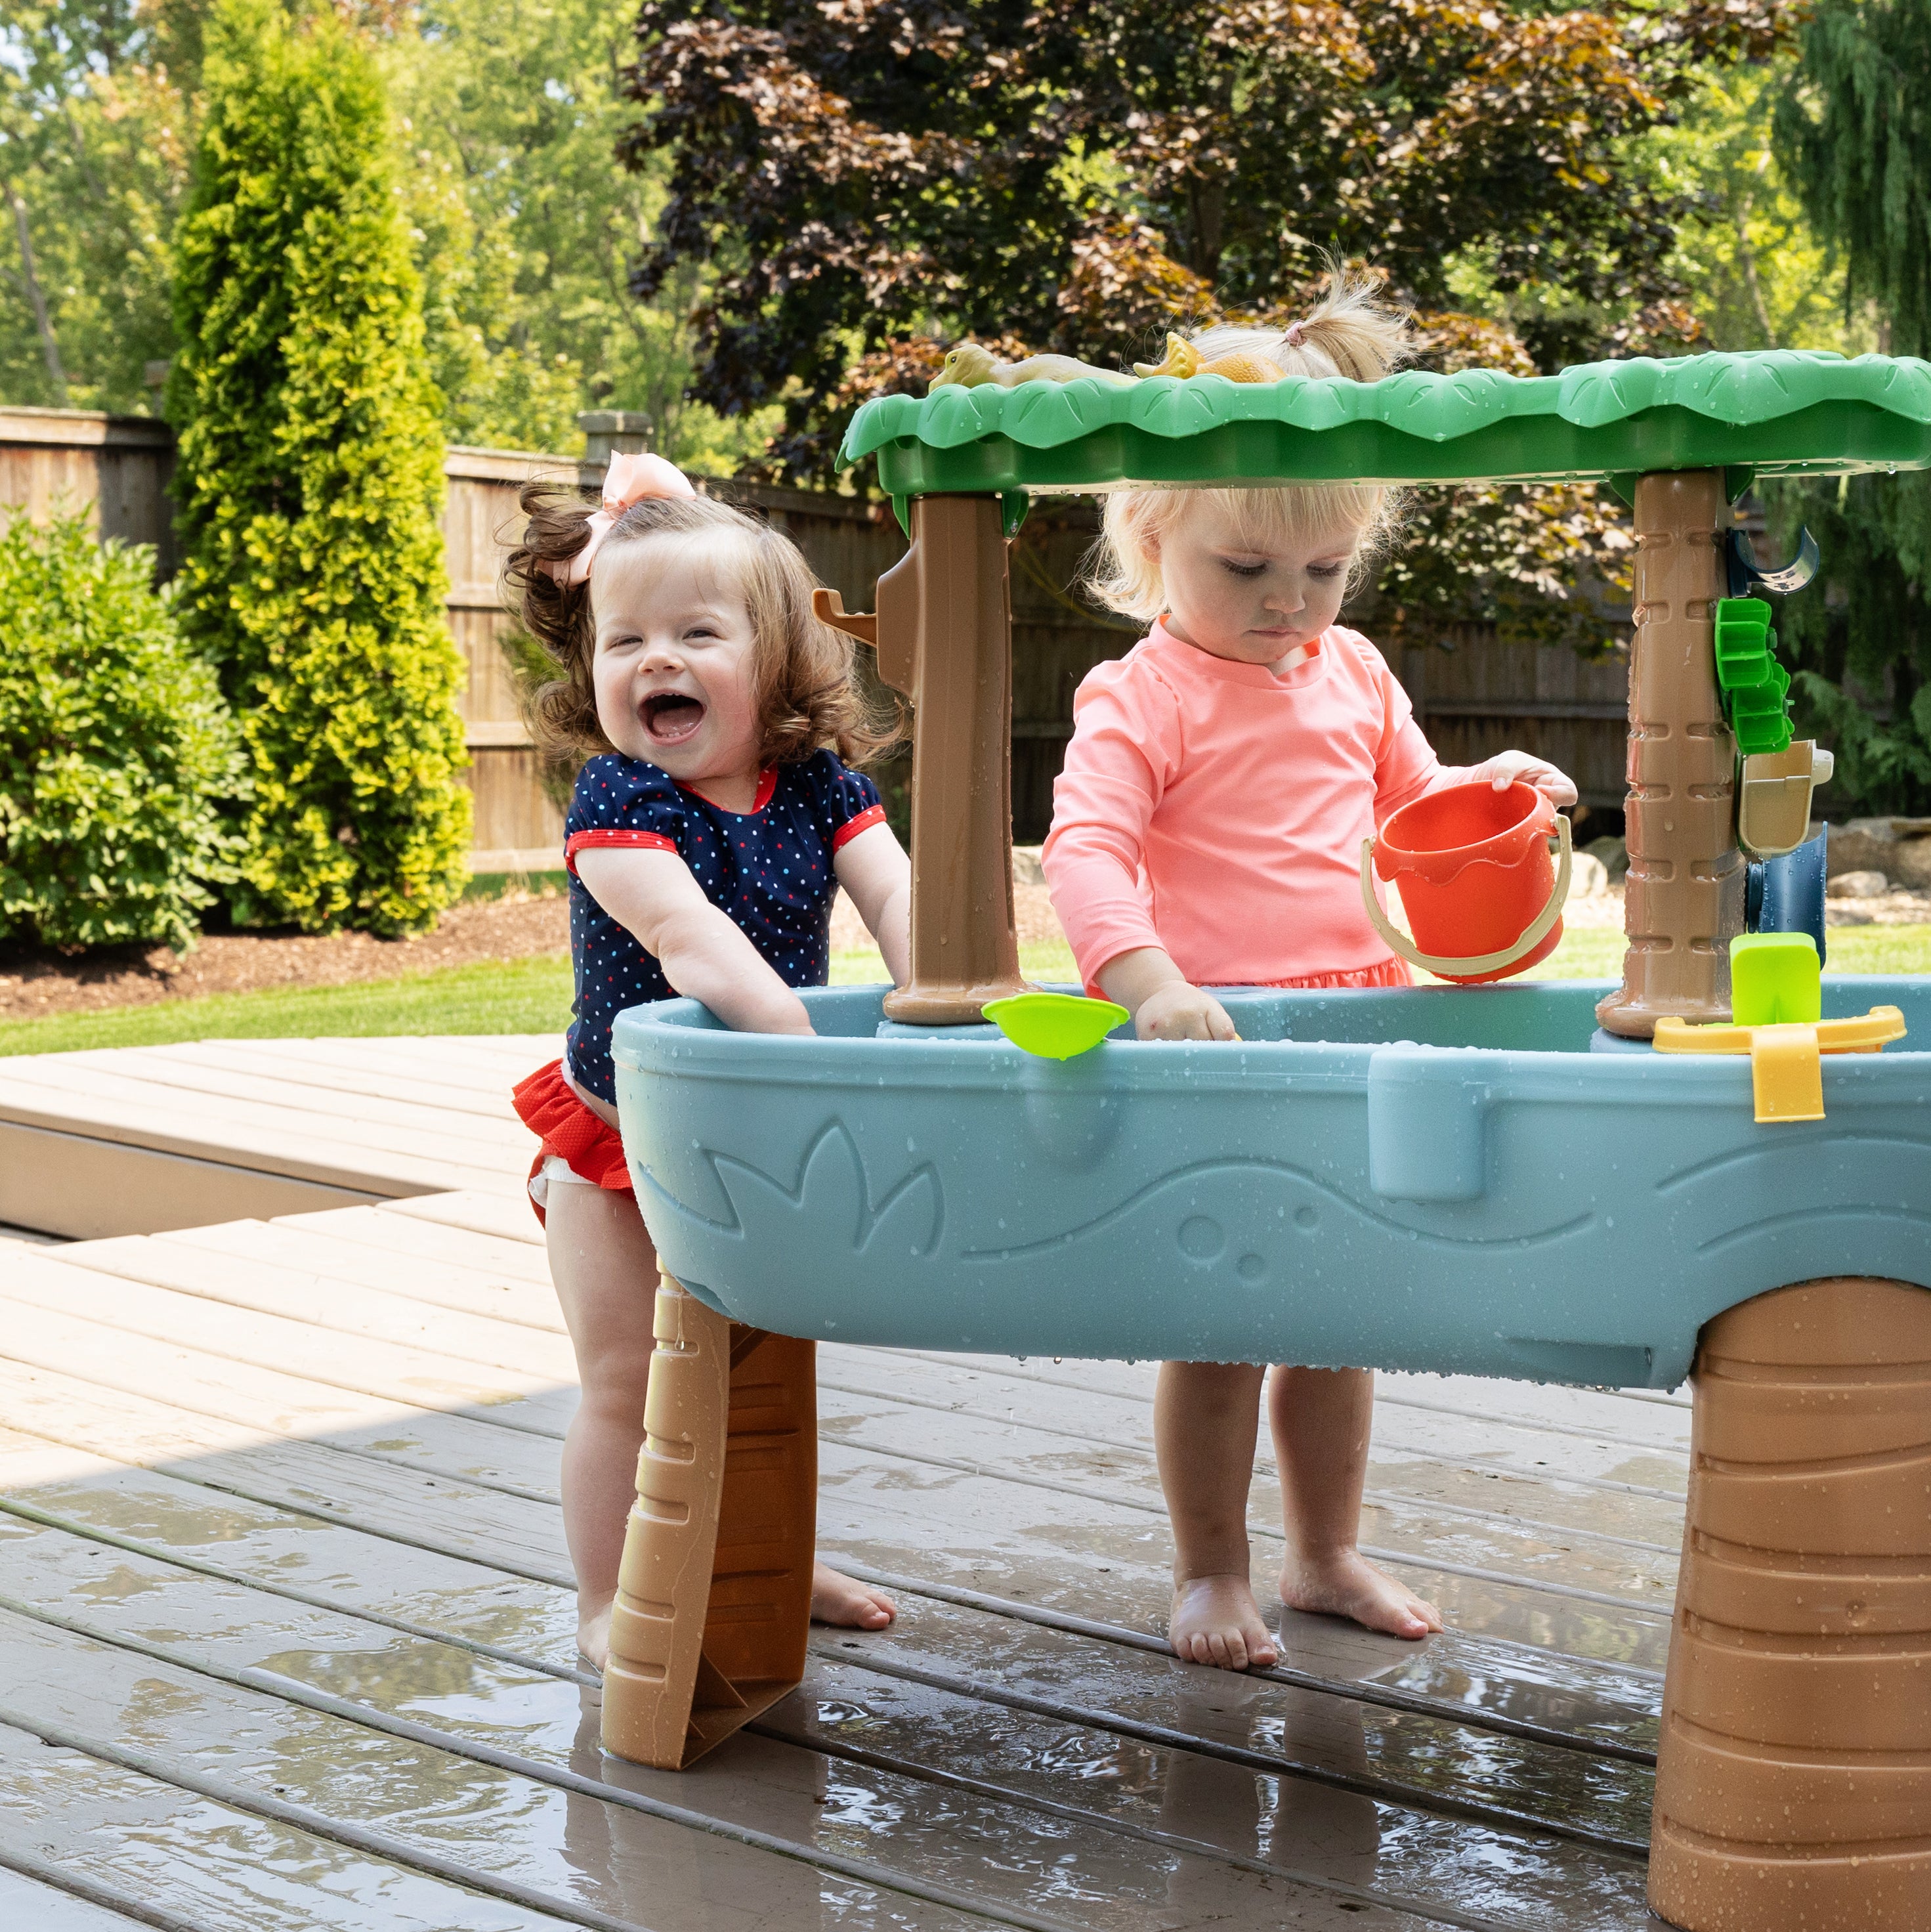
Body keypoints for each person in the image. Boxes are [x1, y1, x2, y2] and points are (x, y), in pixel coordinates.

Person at [1042, 278, 1578, 1673]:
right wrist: (1146, 981)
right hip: (1219, 1039)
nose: (1291, 606)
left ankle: (1323, 1550)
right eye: (1247, 572)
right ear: (1156, 535)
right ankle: (1209, 1564)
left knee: (1339, 1316)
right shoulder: (1140, 695)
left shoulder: (1355, 673)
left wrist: (1492, 781)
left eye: (1325, 571)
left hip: (1359, 1030)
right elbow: (1082, 850)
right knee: (1222, 1319)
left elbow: (1416, 808)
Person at [505, 454, 906, 1667]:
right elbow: (693, 946)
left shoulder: (822, 788)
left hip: (759, 1132)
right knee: (627, 1383)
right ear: (590, 668)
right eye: (623, 638)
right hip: (623, 1139)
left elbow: (901, 905)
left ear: (777, 660)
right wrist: (814, 1061)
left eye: (695, 633)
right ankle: (601, 1597)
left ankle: (775, 1554)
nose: (655, 660)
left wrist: (963, 1001)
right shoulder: (618, 799)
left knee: (756, 1380)